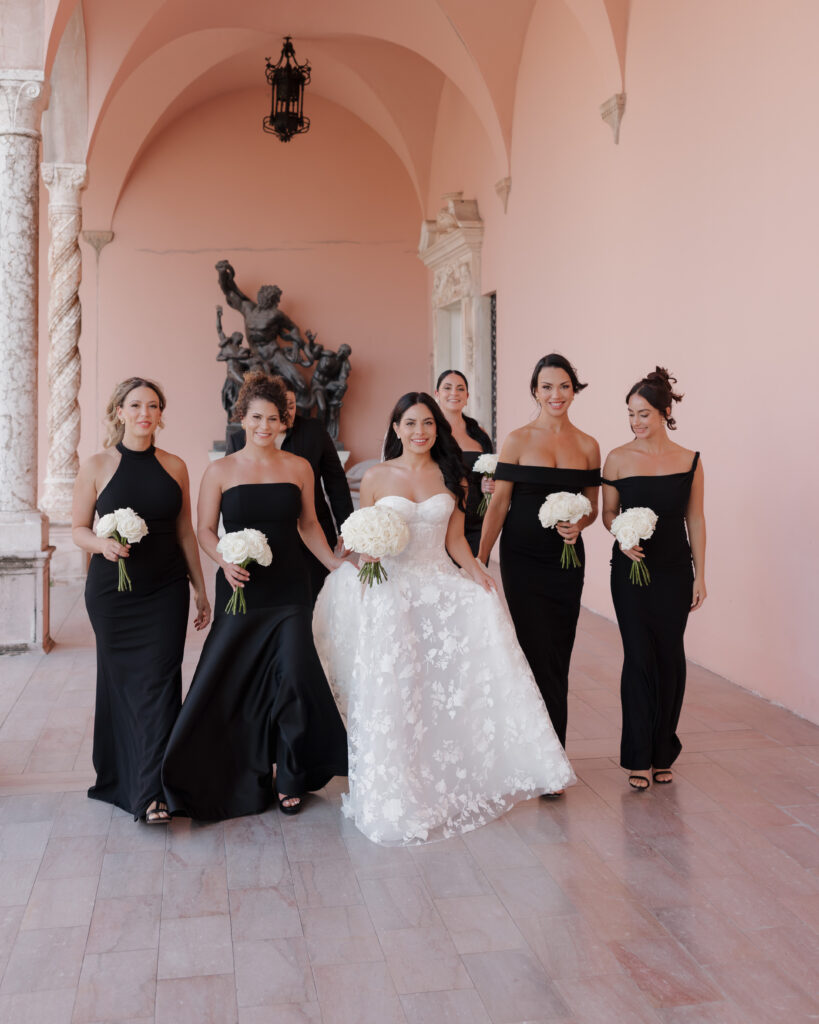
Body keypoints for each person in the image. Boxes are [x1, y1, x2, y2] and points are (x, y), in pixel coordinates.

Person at [313, 392, 575, 845]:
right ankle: (395, 787)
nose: (420, 432)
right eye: (410, 423)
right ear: (395, 429)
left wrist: (478, 574)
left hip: (437, 584)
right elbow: (361, 536)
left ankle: (450, 773)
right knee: (399, 691)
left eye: (428, 423)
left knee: (442, 687)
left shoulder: (452, 474)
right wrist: (365, 552)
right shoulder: (376, 477)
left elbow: (455, 540)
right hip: (392, 589)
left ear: (438, 428)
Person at [162, 372, 348, 819]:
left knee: (296, 678)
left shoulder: (298, 468)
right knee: (229, 677)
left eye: (274, 419)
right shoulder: (220, 471)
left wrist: (337, 566)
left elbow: (308, 526)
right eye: (257, 417)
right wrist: (224, 560)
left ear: (284, 422)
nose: (265, 426)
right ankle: (213, 768)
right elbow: (204, 529)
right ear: (242, 418)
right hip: (240, 589)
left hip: (290, 589)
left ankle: (290, 773)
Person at [72, 378, 210, 824]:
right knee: (124, 686)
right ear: (119, 411)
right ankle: (128, 780)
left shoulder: (175, 465)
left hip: (166, 589)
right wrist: (101, 546)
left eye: (152, 406)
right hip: (114, 594)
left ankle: (155, 791)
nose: (144, 414)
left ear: (160, 414)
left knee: (160, 683)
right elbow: (77, 528)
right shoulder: (95, 466)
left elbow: (186, 531)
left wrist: (200, 588)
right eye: (135, 406)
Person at [478, 354, 600, 766]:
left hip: (567, 561)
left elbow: (593, 508)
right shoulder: (517, 440)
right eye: (547, 387)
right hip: (523, 560)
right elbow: (498, 506)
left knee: (559, 653)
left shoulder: (587, 445)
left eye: (563, 386)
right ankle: (541, 755)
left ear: (573, 390)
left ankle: (554, 753)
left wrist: (579, 524)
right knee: (533, 651)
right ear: (535, 391)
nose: (556, 395)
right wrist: (480, 558)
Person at [601, 368, 706, 791]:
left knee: (670, 659)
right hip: (629, 571)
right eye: (630, 414)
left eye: (643, 414)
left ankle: (663, 751)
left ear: (664, 412)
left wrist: (702, 574)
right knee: (639, 656)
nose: (635, 423)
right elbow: (608, 512)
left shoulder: (690, 460)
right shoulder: (618, 458)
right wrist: (620, 534)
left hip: (674, 571)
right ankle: (637, 756)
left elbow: (695, 519)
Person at [225, 386, 353, 604]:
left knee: (314, 602)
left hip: (313, 533)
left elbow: (336, 482)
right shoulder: (239, 440)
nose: (287, 411)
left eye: (291, 406)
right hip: (264, 540)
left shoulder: (314, 431)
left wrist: (347, 528)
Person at [434, 369, 493, 559]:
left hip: (475, 519)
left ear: (467, 397)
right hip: (441, 518)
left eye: (460, 389)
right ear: (437, 394)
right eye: (447, 388)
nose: (454, 393)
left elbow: (490, 472)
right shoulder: (429, 432)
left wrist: (489, 484)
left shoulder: (479, 433)